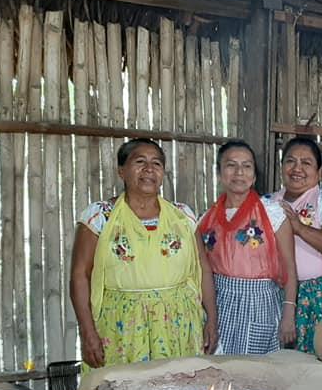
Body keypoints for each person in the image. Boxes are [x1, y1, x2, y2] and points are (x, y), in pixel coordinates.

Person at [70, 138, 215, 371]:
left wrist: (211, 321)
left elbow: (203, 269)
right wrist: (87, 332)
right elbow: (79, 275)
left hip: (178, 325)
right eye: (140, 161)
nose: (149, 169)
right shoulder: (99, 217)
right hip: (122, 327)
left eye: (156, 163)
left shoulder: (182, 215)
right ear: (121, 171)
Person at [197, 140, 298, 355]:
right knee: (219, 370)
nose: (239, 173)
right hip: (220, 303)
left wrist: (289, 313)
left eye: (246, 166)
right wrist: (210, 318)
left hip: (259, 303)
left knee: (253, 374)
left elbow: (290, 267)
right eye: (231, 165)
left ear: (253, 176)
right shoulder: (207, 219)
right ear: (219, 173)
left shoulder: (273, 213)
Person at [265, 137, 322, 354]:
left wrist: (300, 228)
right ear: (281, 167)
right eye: (290, 161)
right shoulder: (268, 203)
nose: (297, 168)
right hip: (278, 294)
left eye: (306, 163)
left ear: (319, 172)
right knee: (280, 362)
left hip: (318, 294)